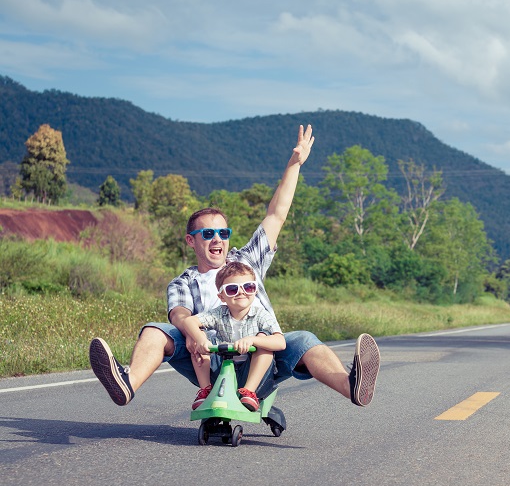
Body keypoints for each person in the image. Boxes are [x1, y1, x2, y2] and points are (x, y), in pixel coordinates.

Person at [89, 124, 380, 412]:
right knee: (154, 330)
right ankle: (127, 383)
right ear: (191, 241)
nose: (217, 239)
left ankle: (351, 386)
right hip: (210, 360)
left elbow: (276, 215)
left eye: (223, 233)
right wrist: (197, 337)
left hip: (262, 359)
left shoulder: (247, 261)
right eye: (208, 234)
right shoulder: (184, 281)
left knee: (303, 339)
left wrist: (294, 164)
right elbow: (180, 315)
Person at [182, 261, 285, 412]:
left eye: (248, 287)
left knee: (265, 344)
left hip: (251, 371)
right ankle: (206, 391)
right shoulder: (219, 313)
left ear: (255, 290)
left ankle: (249, 392)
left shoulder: (260, 315)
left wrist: (253, 340)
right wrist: (201, 339)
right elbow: (190, 321)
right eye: (232, 289)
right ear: (222, 296)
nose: (241, 292)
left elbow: (280, 342)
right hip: (223, 368)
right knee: (199, 345)